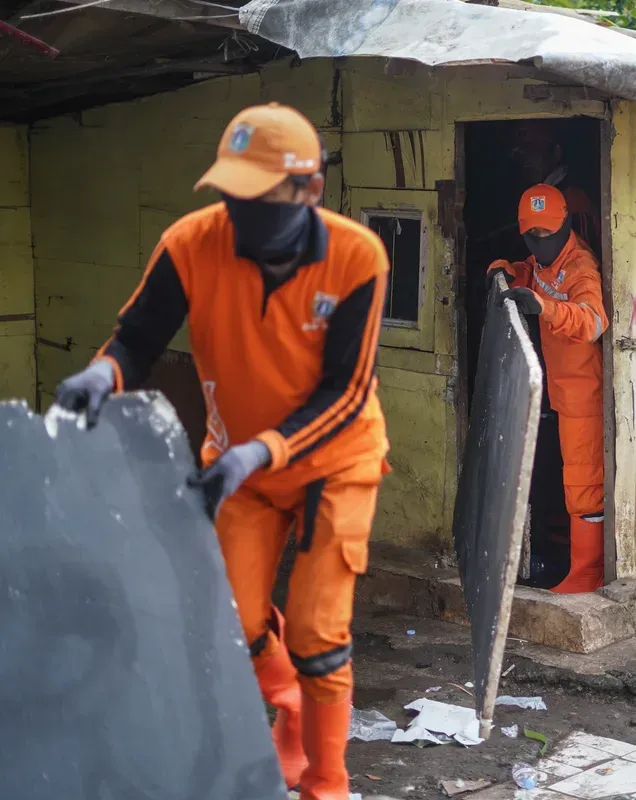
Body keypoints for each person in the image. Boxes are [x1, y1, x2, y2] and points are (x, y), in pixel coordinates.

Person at [53, 103, 389, 800]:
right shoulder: (191, 244)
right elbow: (136, 342)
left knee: (316, 634)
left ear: (309, 192)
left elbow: (346, 391)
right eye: (232, 194)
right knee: (230, 623)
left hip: (334, 458)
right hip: (239, 464)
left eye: (258, 198)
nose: (240, 213)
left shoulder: (359, 257)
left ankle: (325, 784)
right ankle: (289, 712)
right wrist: (99, 375)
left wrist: (259, 452)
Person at [487, 184, 609, 593]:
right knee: (561, 476)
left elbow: (593, 322)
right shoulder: (541, 263)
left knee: (583, 481)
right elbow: (528, 270)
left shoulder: (580, 267)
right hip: (556, 389)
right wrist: (507, 270)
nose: (541, 242)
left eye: (548, 234)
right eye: (533, 235)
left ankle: (588, 573)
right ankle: (573, 564)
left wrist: (546, 309)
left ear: (565, 225)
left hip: (582, 393)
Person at [510, 122, 601, 253]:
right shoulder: (532, 194)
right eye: (522, 154)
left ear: (556, 153)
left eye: (533, 152)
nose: (527, 160)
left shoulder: (573, 198)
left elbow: (582, 253)